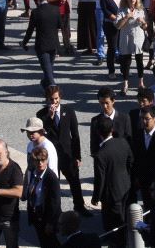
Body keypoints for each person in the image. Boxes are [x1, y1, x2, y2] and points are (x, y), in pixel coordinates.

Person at [34, 86, 90, 217]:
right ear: (47, 99)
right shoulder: (41, 115)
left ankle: (79, 206)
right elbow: (42, 134)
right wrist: (49, 117)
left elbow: (75, 135)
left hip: (67, 153)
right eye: (51, 99)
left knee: (74, 181)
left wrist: (77, 156)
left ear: (60, 97)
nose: (54, 102)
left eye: (56, 98)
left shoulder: (69, 111)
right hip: (51, 155)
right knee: (53, 184)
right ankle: (55, 210)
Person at [91, 117, 133, 248]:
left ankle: (118, 243)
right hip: (125, 186)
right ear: (112, 129)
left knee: (113, 222)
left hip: (111, 194)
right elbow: (131, 161)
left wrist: (95, 198)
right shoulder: (123, 142)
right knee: (123, 214)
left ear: (98, 133)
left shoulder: (100, 155)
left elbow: (100, 179)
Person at [21, 0, 62, 91]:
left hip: (42, 45)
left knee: (47, 69)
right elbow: (60, 25)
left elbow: (30, 30)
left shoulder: (35, 12)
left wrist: (24, 42)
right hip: (54, 44)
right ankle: (46, 83)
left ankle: (53, 90)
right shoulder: (56, 9)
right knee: (49, 68)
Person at [22, 147, 61, 248]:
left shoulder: (51, 177)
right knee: (43, 240)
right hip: (36, 215)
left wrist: (50, 223)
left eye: (43, 160)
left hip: (46, 217)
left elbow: (55, 203)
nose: (40, 163)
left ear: (47, 160)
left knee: (51, 242)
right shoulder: (33, 173)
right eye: (37, 160)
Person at [132, 106, 155, 209]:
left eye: (147, 119)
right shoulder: (138, 135)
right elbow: (136, 157)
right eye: (142, 118)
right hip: (143, 180)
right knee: (147, 205)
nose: (144, 121)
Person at [116, 0, 148, 94]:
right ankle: (125, 83)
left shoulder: (141, 10)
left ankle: (141, 83)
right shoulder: (121, 10)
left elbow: (145, 27)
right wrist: (126, 17)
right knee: (126, 62)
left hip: (138, 37)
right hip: (126, 38)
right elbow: (118, 26)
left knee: (139, 61)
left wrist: (143, 22)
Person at [89, 87, 132, 157]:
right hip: (103, 160)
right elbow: (94, 145)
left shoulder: (124, 119)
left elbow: (129, 142)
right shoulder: (95, 121)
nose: (104, 106)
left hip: (121, 159)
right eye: (101, 103)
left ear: (113, 101)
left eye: (107, 103)